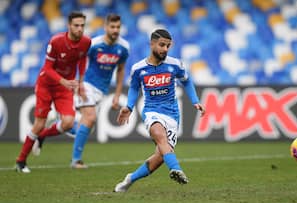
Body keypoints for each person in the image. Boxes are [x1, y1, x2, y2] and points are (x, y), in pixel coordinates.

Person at [114, 29, 205, 192]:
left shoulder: (175, 64)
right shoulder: (138, 68)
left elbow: (187, 81)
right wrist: (129, 106)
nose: (165, 49)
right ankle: (176, 169)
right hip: (151, 110)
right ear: (152, 44)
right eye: (162, 45)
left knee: (160, 157)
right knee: (159, 134)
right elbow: (134, 88)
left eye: (168, 46)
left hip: (172, 114)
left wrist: (195, 101)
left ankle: (130, 178)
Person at [15, 11, 91, 173]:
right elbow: (47, 68)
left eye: (82, 26)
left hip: (65, 87)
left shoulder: (86, 42)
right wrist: (64, 81)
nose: (80, 29)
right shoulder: (56, 41)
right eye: (76, 25)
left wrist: (81, 82)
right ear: (69, 26)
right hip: (46, 85)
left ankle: (43, 136)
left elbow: (83, 59)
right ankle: (21, 161)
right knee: (39, 123)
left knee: (69, 122)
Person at [61, 14, 129, 168]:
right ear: (105, 27)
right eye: (112, 27)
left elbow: (121, 70)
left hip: (102, 90)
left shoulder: (123, 47)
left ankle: (62, 124)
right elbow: (79, 60)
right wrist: (79, 82)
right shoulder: (93, 44)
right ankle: (76, 160)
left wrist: (117, 95)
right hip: (87, 84)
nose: (115, 30)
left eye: (118, 27)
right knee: (90, 117)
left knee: (86, 126)